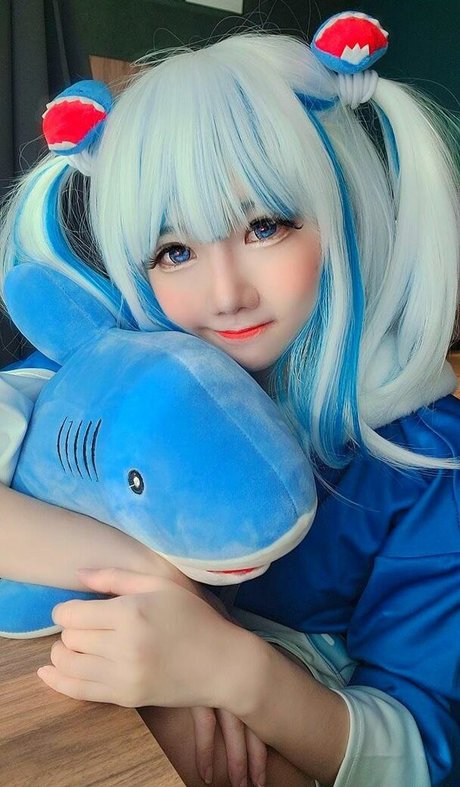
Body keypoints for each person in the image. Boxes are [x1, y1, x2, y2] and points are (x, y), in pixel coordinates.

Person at [0, 10, 459, 786]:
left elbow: (421, 754)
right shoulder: (129, 365)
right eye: (175, 249)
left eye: (264, 226)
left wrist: (232, 670)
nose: (224, 293)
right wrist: (163, 579)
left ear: (343, 212)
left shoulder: (427, 459)